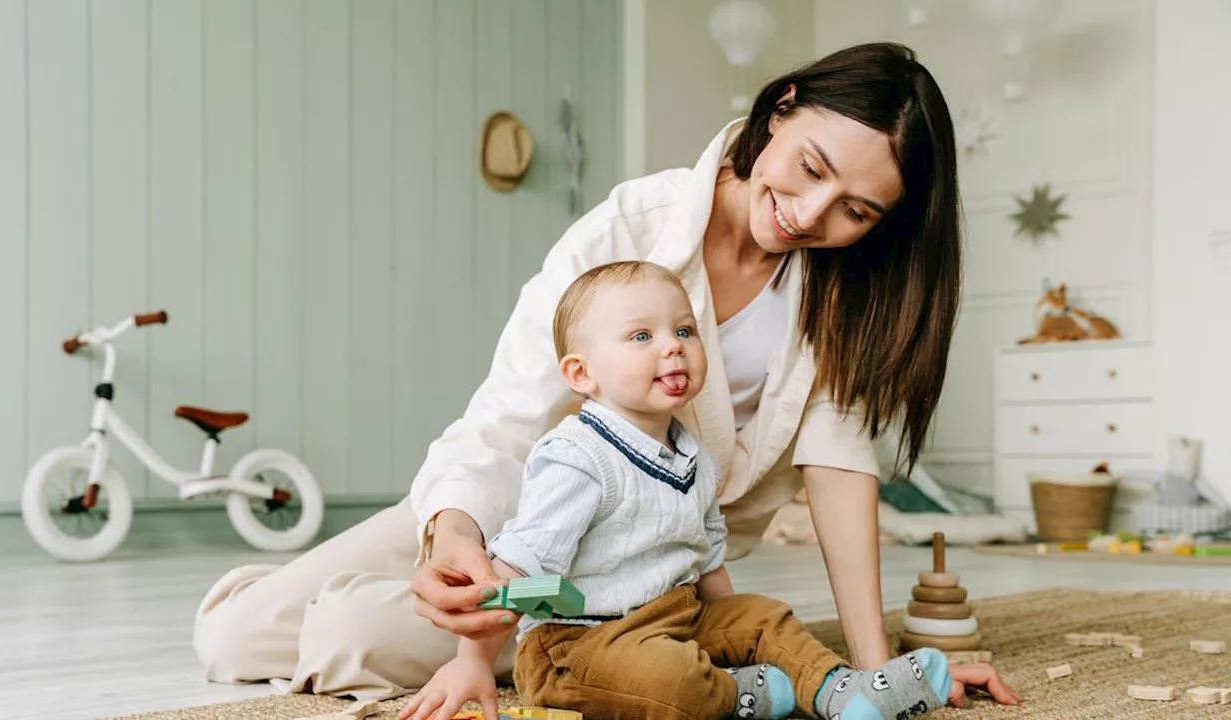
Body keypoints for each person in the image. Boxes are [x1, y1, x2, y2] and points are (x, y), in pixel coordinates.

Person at [193, 41, 1015, 706]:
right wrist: (452, 536)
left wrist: (875, 672)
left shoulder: (843, 295)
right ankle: (381, 589)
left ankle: (593, 645)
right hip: (519, 508)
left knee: (348, 637)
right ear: (783, 106)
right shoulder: (631, 226)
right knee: (230, 636)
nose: (809, 213)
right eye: (810, 167)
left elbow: (838, 470)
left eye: (855, 211)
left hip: (636, 574)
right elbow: (506, 418)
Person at [397, 260, 1013, 720]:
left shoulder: (692, 454)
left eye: (685, 331)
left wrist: (736, 630)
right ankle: (745, 695)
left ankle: (840, 691)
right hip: (578, 642)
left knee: (766, 616)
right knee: (672, 682)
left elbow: (706, 560)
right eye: (642, 336)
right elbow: (519, 575)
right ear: (582, 374)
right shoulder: (576, 458)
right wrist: (472, 661)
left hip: (673, 615)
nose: (672, 346)